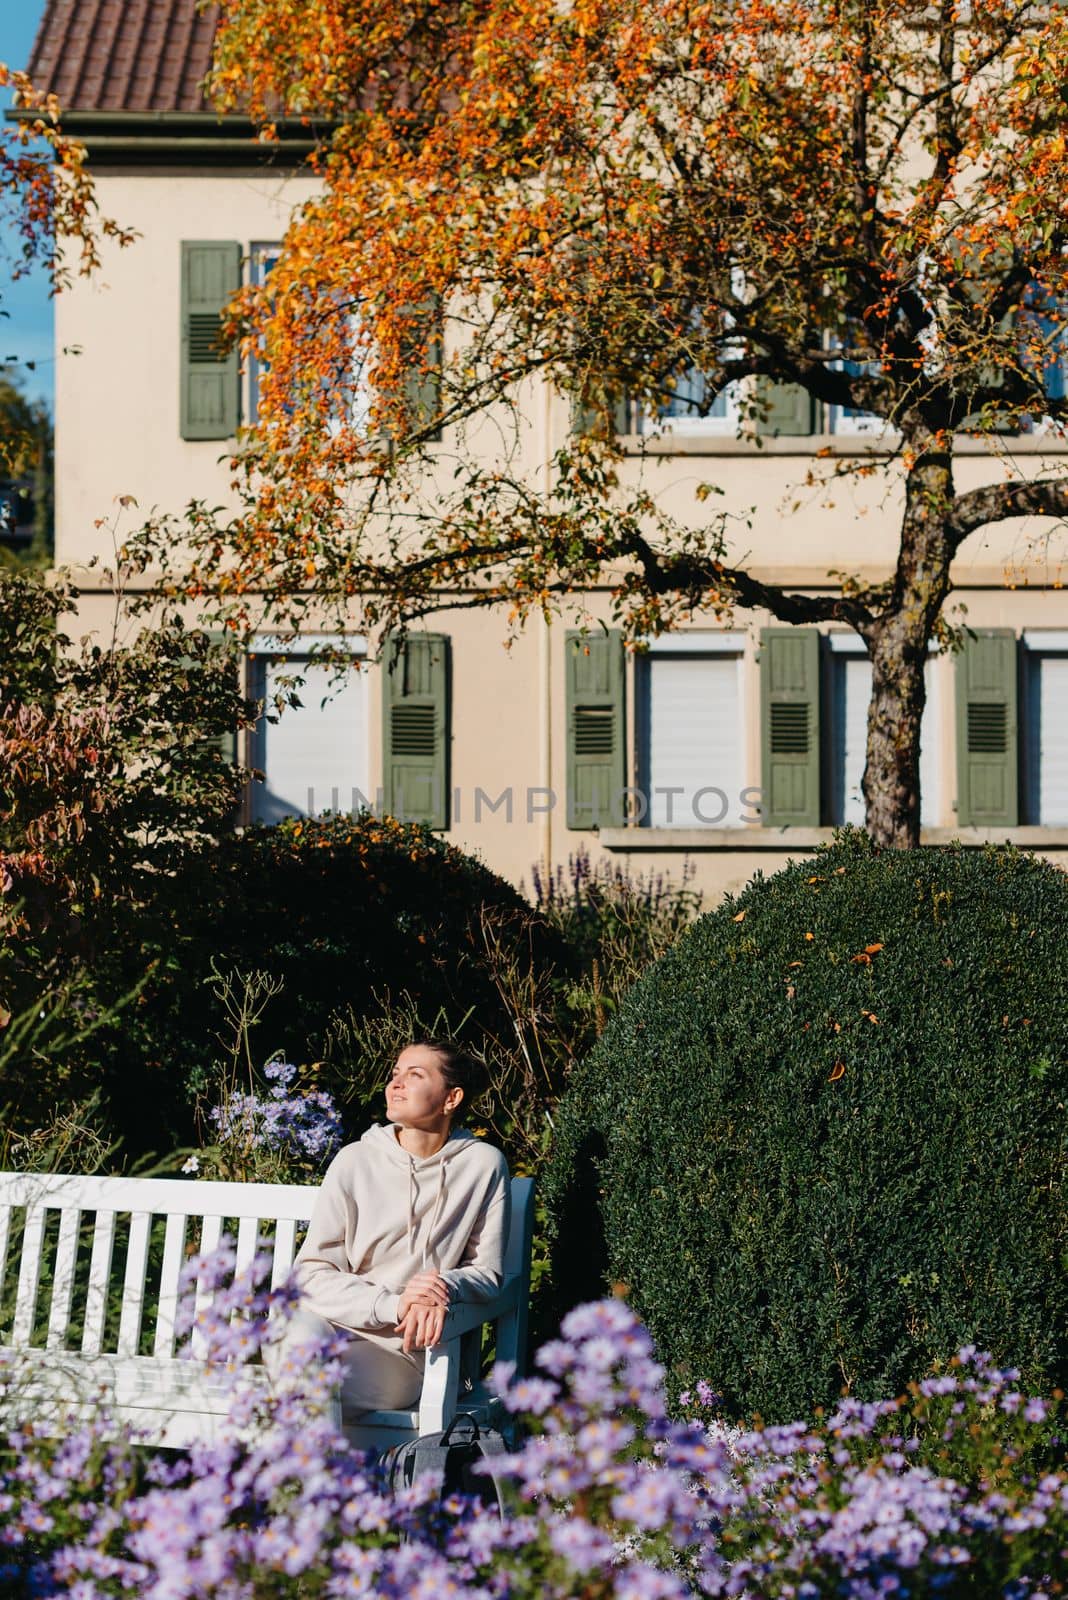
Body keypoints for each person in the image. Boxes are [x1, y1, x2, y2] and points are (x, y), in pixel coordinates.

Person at [270, 1039, 511, 1427]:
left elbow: (487, 1273)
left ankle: (308, 1484)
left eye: (414, 1075)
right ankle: (317, 1483)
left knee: (299, 1391)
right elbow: (311, 1275)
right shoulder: (354, 1161)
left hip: (401, 1352)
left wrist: (442, 1286)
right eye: (395, 1073)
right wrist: (394, 1304)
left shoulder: (482, 1165)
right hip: (325, 1326)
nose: (395, 1084)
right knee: (296, 1351)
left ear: (452, 1098)